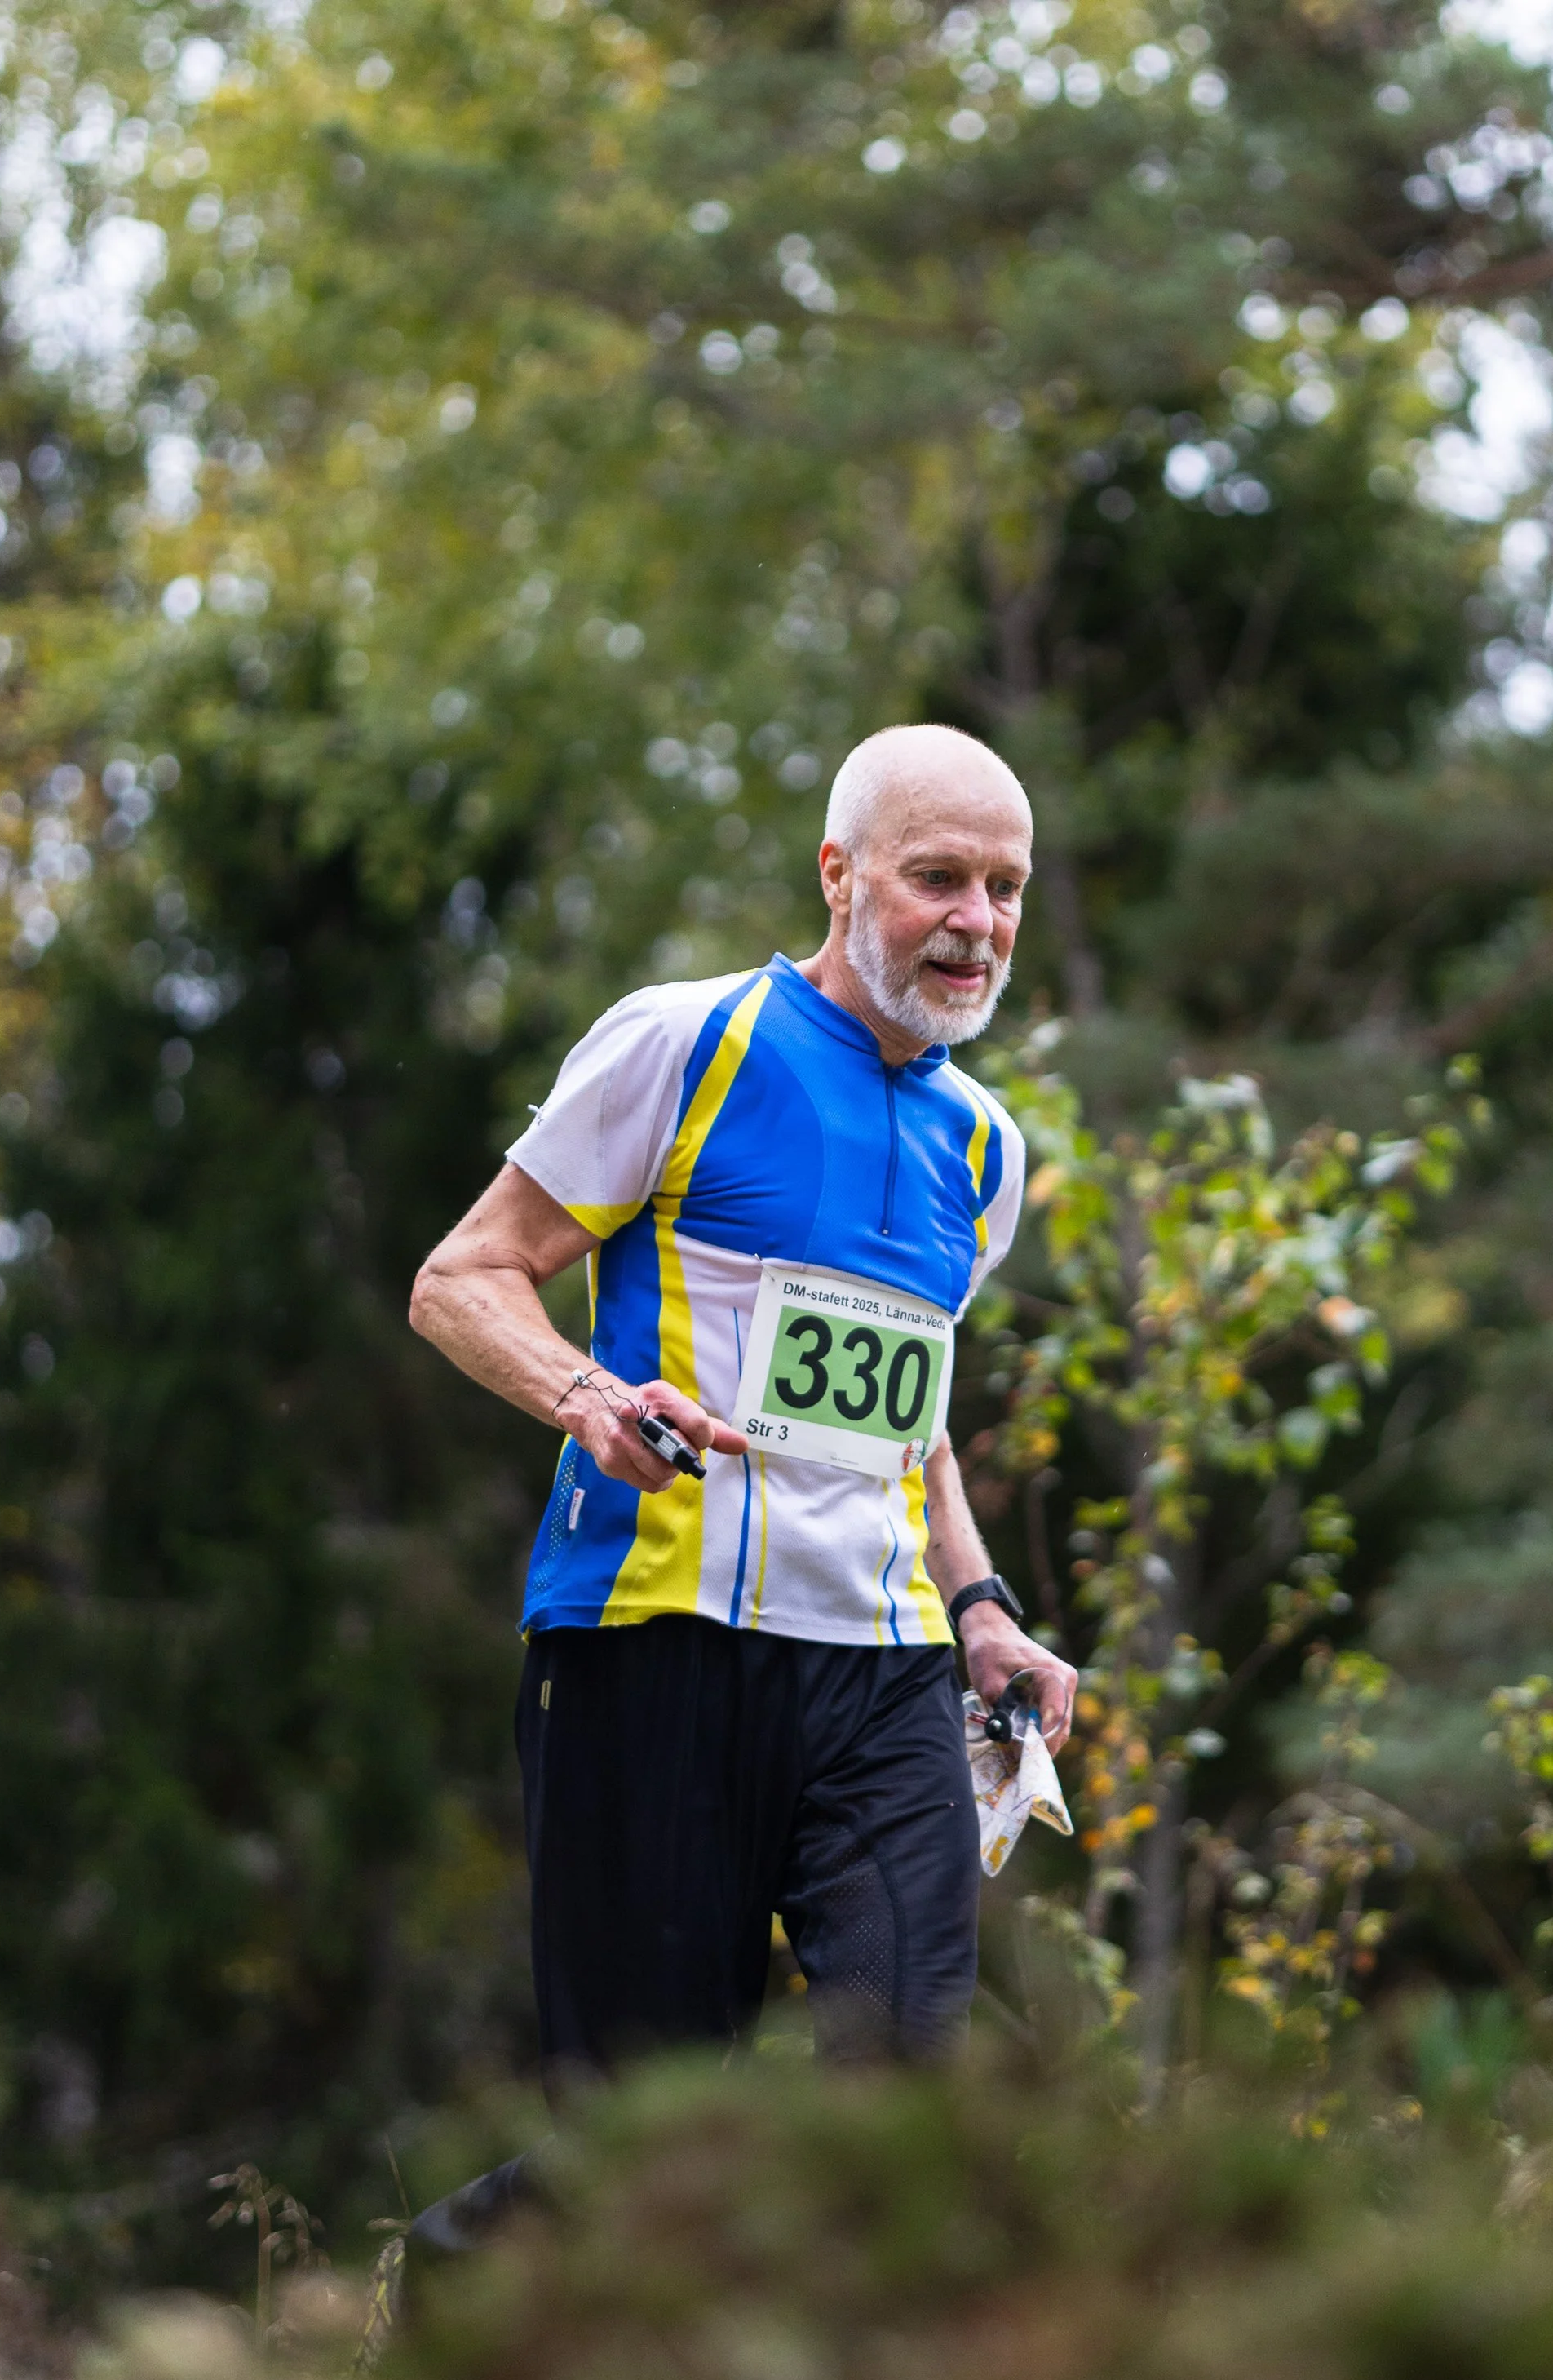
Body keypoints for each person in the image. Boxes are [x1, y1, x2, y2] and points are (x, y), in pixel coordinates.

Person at [407, 723, 1075, 2153]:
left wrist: (985, 1613)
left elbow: (919, 1427)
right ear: (839, 875)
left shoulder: (985, 1147)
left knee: (903, 2109)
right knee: (638, 2148)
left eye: (1004, 888)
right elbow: (463, 1279)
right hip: (656, 1638)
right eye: (938, 878)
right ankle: (451, 2305)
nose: (977, 924)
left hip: (884, 1681)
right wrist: (591, 1402)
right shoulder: (688, 1040)